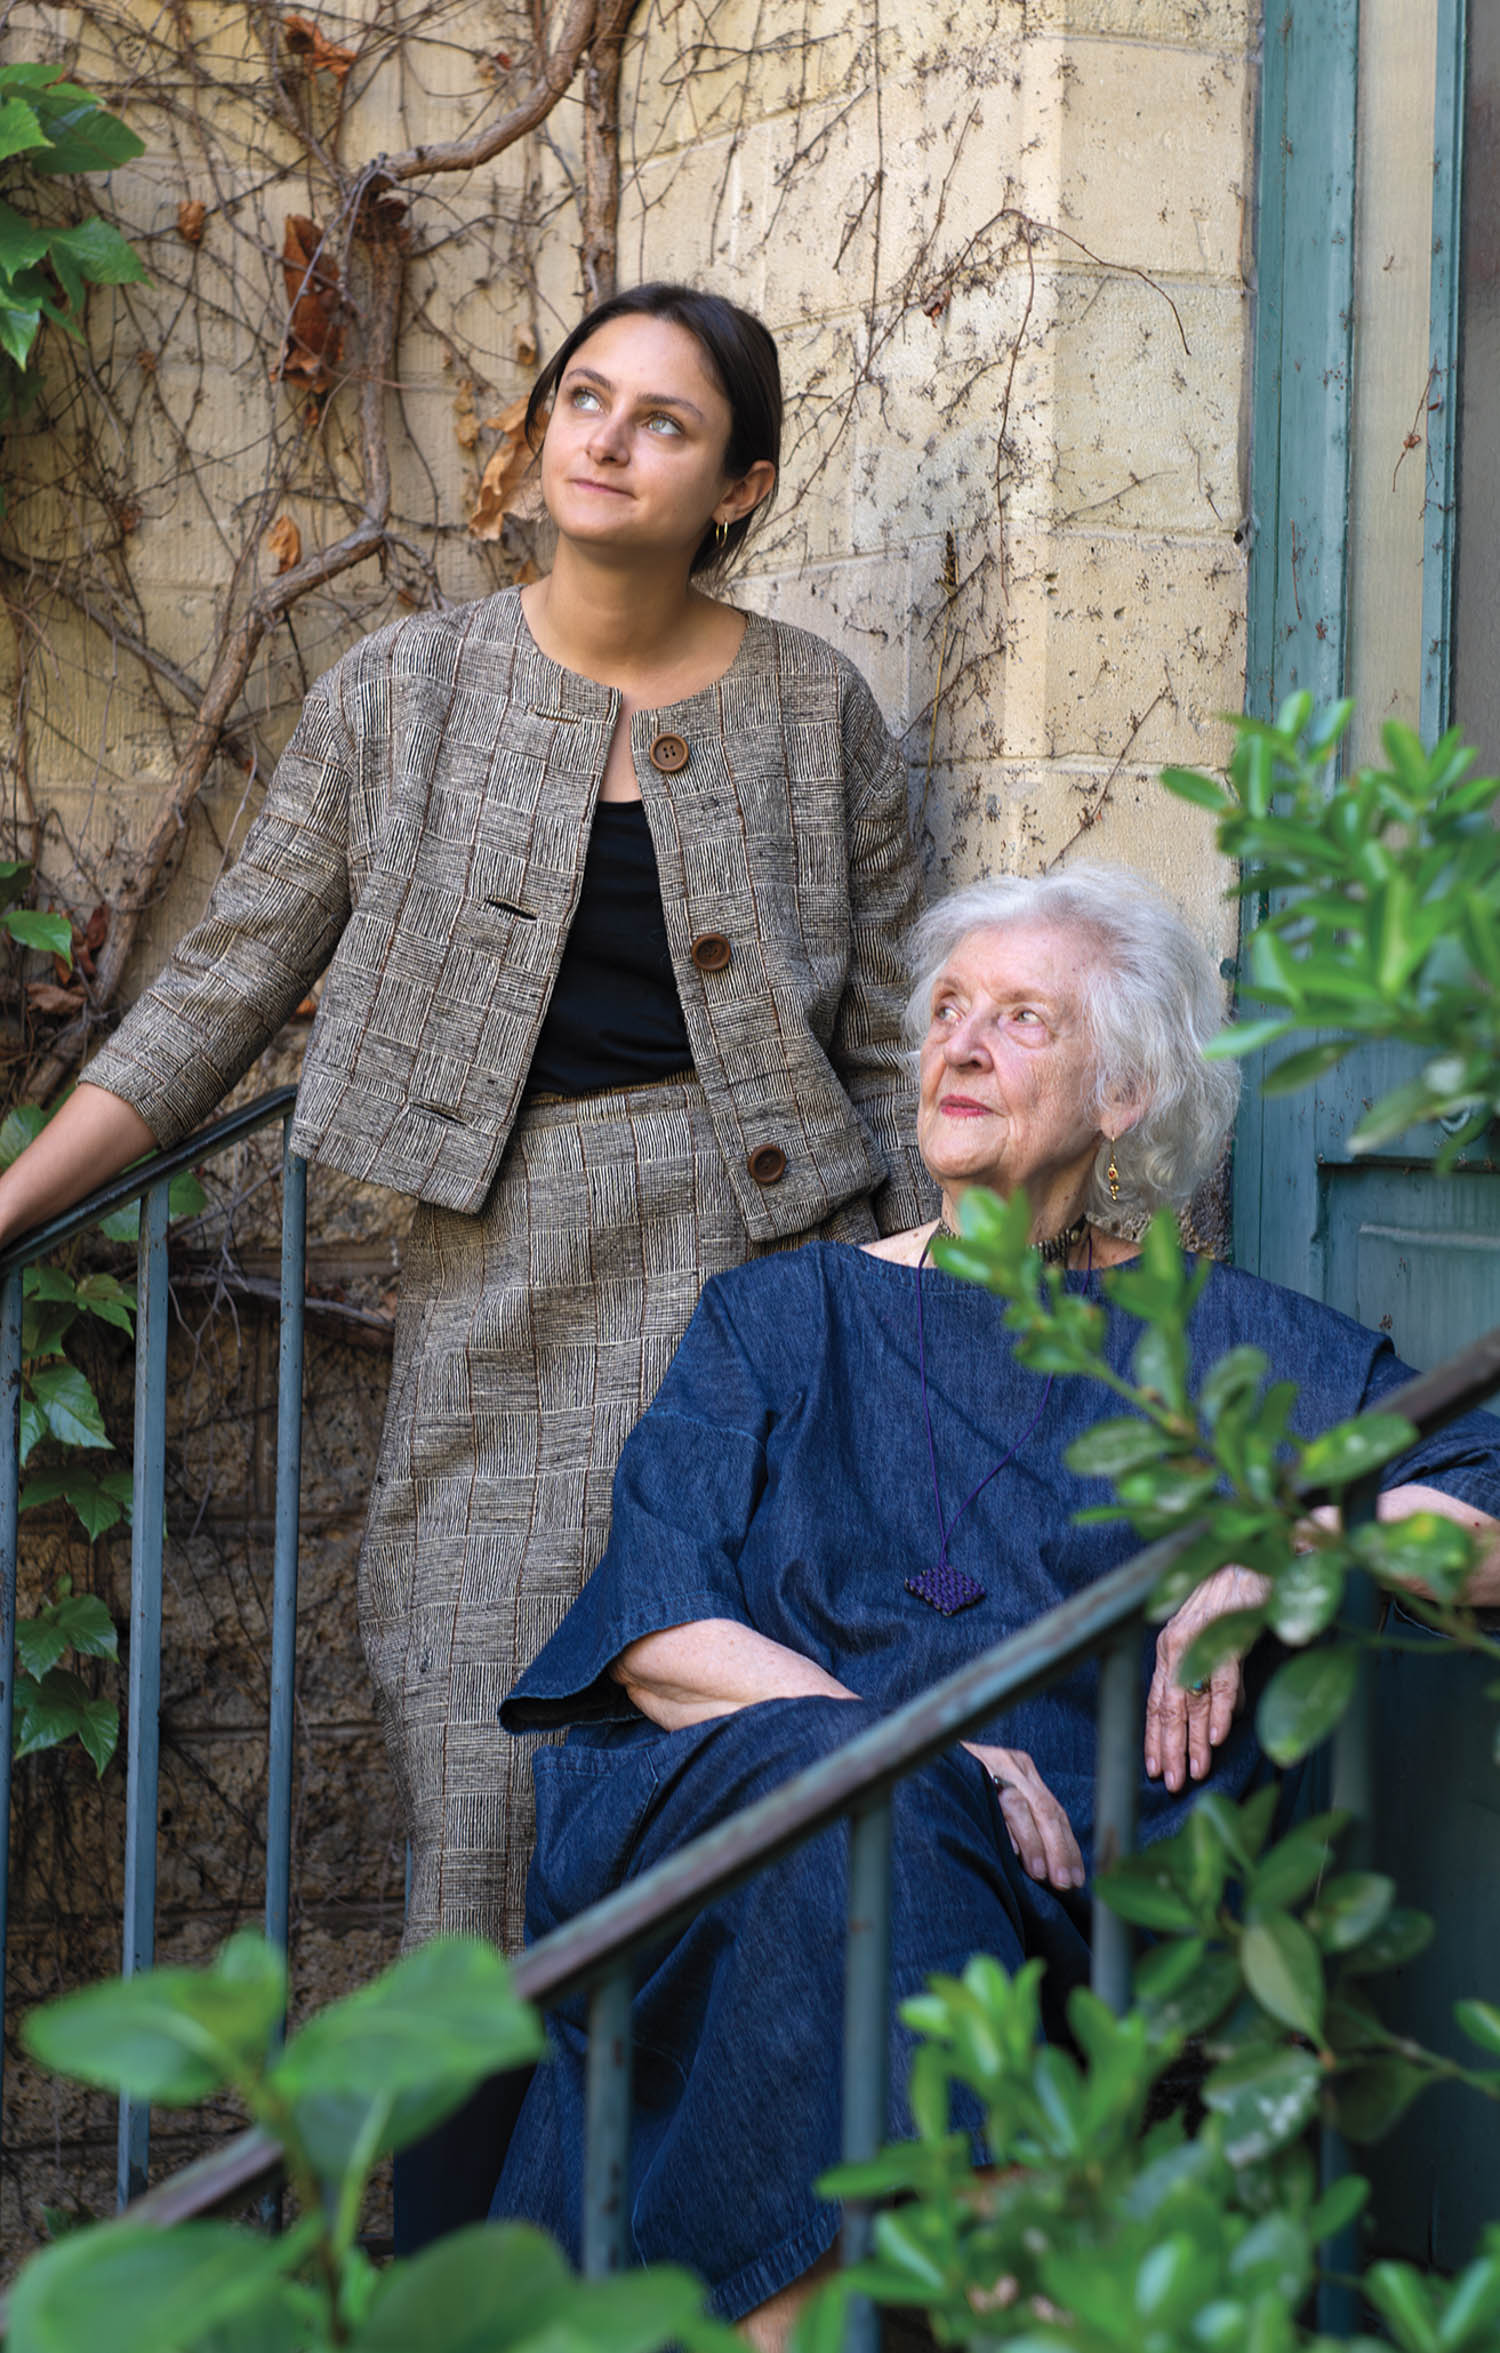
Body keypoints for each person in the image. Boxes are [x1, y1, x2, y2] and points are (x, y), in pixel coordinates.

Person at [0, 285, 933, 2223]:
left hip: (773, 1291)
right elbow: (220, 991)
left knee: (751, 1780)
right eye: (584, 397)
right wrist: (14, 1198)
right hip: (497, 1289)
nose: (608, 437)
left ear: (740, 487)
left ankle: (711, 2260)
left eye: (666, 420)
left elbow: (890, 1042)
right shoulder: (399, 692)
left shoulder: (812, 705)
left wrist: (925, 1288)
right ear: (535, 435)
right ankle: (456, 2274)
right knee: (485, 1792)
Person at [492, 864, 1500, 2343]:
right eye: (949, 1009)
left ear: (1124, 1095)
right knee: (857, 1802)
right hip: (725, 1829)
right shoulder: (776, 1320)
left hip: (1061, 1878)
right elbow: (656, 1630)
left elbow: (1487, 1509)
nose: (958, 1045)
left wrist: (1296, 1527)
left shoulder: (1224, 1345)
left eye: (1023, 1018)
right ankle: (1032, 2284)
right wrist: (915, 1749)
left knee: (858, 1848)